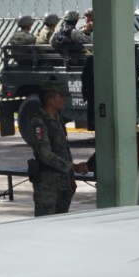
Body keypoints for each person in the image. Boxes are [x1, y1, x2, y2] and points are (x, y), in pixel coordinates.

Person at [27, 80, 89, 217]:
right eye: (61, 96)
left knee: (61, 226)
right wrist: (73, 167)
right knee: (46, 227)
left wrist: (71, 178)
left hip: (63, 185)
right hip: (47, 187)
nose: (64, 99)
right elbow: (45, 154)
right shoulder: (38, 122)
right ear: (51, 100)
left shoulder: (58, 118)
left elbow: (65, 151)